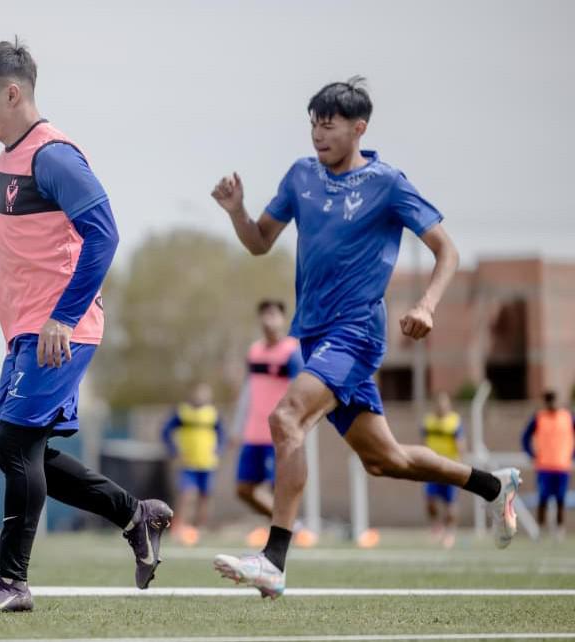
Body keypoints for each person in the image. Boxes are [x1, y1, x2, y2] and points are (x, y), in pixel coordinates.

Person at [209, 77, 521, 599]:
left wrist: (426, 304)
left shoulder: (388, 183)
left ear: (359, 128)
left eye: (329, 123)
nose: (318, 133)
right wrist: (237, 211)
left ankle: (274, 560)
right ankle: (493, 484)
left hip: (355, 334)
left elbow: (448, 251)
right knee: (385, 460)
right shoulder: (300, 176)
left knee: (287, 418)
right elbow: (261, 242)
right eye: (313, 122)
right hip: (313, 337)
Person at [0, 39, 172, 613]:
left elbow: (104, 234)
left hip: (60, 331)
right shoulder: (6, 162)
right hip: (25, 328)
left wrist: (64, 317)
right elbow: (31, 246)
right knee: (27, 452)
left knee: (15, 442)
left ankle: (12, 583)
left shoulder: (54, 156)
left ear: (12, 92)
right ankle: (134, 515)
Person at [229, 300, 308, 546]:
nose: (268, 319)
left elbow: (301, 391)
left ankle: (283, 534)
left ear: (283, 319)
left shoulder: (291, 352)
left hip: (279, 434)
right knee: (244, 489)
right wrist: (237, 426)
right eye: (264, 314)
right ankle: (291, 527)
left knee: (281, 488)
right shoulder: (254, 351)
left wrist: (299, 423)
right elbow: (247, 390)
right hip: (253, 432)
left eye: (273, 314)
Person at [162, 382, 224, 541]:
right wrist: (174, 451)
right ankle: (178, 526)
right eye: (198, 393)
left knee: (205, 496)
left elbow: (222, 434)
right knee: (186, 495)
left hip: (207, 462)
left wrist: (218, 450)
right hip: (188, 462)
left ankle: (200, 528)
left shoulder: (212, 414)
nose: (201, 396)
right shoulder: (183, 412)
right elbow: (165, 431)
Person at [521, 390, 575, 537]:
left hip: (562, 466)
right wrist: (531, 453)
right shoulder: (539, 418)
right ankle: (541, 529)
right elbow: (525, 437)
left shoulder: (568, 417)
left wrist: (572, 455)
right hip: (544, 466)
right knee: (543, 499)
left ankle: (560, 530)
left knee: (561, 500)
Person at [422, 391, 466, 548]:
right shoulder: (428, 421)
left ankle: (450, 533)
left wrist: (460, 464)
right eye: (439, 403)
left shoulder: (454, 421)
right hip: (432, 468)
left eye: (444, 403)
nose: (441, 406)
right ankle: (436, 526)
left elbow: (461, 444)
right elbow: (423, 442)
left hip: (449, 466)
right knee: (430, 501)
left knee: (450, 504)